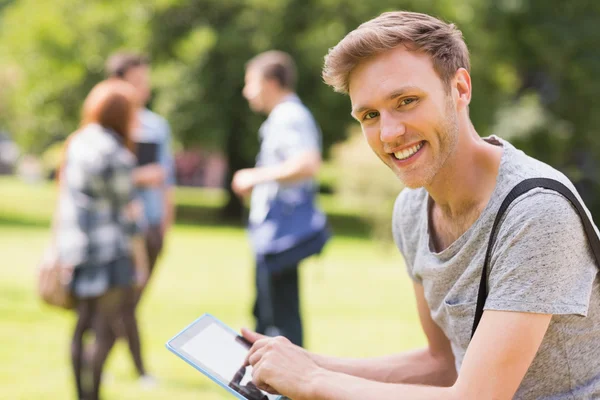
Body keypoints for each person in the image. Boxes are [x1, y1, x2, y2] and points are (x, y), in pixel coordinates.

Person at [240, 11, 600, 400]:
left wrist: (311, 382)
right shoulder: (412, 211)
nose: (390, 133)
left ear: (460, 89)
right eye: (370, 115)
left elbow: (475, 397)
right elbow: (441, 363)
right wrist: (305, 363)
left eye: (407, 101)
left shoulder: (536, 212)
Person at [56, 79, 149, 400]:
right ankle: (92, 395)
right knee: (106, 329)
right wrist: (141, 259)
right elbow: (128, 212)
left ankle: (80, 395)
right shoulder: (116, 153)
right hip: (110, 252)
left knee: (82, 326)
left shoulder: (77, 143)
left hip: (78, 249)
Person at [232, 50, 326, 348]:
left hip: (280, 234)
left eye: (251, 83)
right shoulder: (284, 116)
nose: (247, 92)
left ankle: (284, 389)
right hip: (273, 232)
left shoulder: (289, 116)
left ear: (271, 81)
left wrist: (254, 176)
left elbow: (308, 163)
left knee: (279, 319)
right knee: (267, 312)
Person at [106, 52, 176, 300]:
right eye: (136, 81)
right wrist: (139, 175)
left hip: (150, 224)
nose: (143, 88)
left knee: (132, 303)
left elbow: (167, 182)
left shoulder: (156, 127)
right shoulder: (103, 127)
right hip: (115, 227)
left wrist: (165, 229)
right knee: (112, 306)